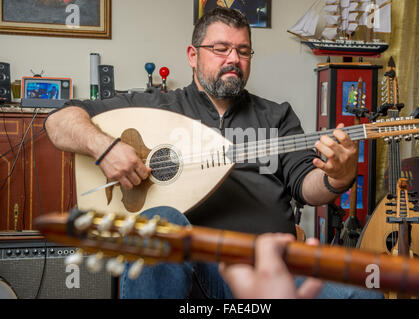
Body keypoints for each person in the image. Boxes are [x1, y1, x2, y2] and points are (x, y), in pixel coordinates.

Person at [44, 7, 382, 299]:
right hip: (187, 268)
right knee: (161, 220)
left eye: (243, 51)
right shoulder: (156, 105)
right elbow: (60, 121)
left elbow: (307, 185)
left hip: (267, 272)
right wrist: (105, 147)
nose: (233, 58)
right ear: (193, 55)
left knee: (362, 293)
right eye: (220, 48)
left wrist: (338, 174)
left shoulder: (276, 116)